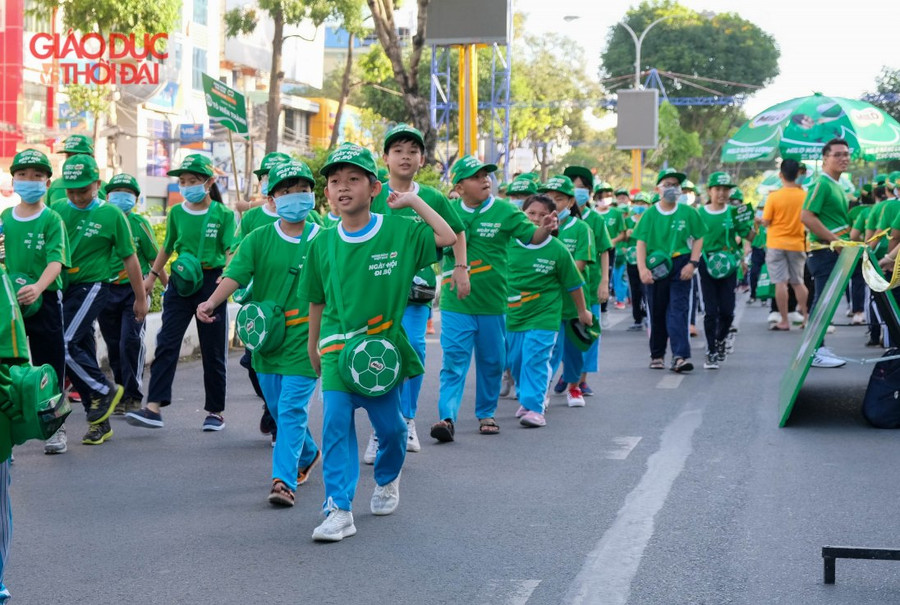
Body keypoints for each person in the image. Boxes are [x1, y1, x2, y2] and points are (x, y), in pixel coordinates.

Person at [298, 143, 457, 541]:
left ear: (374, 188)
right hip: (336, 350)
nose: (343, 188)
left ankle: (387, 478)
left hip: (380, 354)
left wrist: (412, 201)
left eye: (354, 179)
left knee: (391, 431)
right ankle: (339, 509)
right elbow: (317, 299)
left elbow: (448, 235)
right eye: (335, 182)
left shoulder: (399, 231)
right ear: (328, 193)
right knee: (334, 423)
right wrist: (313, 345)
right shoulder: (322, 242)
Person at [199, 160, 322, 506]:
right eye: (286, 191)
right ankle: (308, 452)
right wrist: (210, 303)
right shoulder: (258, 239)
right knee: (279, 408)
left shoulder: (326, 236)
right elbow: (235, 276)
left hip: (307, 342)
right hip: (268, 342)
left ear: (313, 195)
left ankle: (283, 481)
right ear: (272, 199)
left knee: (292, 409)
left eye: (303, 189)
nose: (295, 196)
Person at [362, 124, 469, 461]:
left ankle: (405, 420)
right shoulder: (373, 191)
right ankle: (382, 429)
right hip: (375, 290)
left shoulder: (433, 197)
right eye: (398, 151)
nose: (405, 157)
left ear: (422, 159)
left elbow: (456, 232)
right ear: (385, 158)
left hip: (415, 293)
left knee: (414, 351)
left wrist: (461, 268)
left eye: (412, 151)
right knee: (376, 355)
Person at [432, 156, 554, 441]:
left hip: (493, 303)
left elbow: (531, 237)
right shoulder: (448, 212)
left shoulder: (504, 211)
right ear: (460, 187)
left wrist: (544, 229)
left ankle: (486, 413)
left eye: (487, 174)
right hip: (455, 303)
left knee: (491, 361)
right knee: (453, 361)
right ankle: (446, 418)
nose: (485, 179)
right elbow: (436, 246)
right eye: (476, 176)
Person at [126, 154, 236, 430]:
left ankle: (215, 411)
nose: (187, 186)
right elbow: (168, 246)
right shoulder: (176, 212)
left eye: (193, 181)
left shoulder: (223, 215)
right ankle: (153, 407)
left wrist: (227, 276)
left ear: (209, 183)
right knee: (167, 342)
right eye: (183, 181)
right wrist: (152, 276)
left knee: (212, 349)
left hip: (212, 282)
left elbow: (230, 249)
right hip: (181, 281)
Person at [52, 154, 148, 445]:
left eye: (84, 189)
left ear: (97, 184)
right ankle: (100, 422)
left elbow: (131, 260)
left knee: (64, 344)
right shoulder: (56, 211)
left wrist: (141, 298)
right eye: (71, 190)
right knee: (79, 351)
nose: (78, 196)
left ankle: (105, 390)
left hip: (93, 286)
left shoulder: (111, 215)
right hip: (63, 290)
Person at [4, 150, 69, 453]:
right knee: (8, 369)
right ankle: (8, 435)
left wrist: (38, 287)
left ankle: (55, 429)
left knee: (49, 363)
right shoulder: (4, 219)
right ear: (13, 179)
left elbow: (56, 261)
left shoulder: (52, 218)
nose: (30, 181)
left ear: (47, 181)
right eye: (23, 175)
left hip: (44, 302)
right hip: (10, 307)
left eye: (37, 176)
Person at [507, 194, 592, 427]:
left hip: (545, 314)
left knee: (536, 358)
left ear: (552, 219)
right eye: (531, 214)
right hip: (514, 314)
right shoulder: (509, 243)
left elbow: (574, 284)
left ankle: (536, 408)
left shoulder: (557, 249)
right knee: (516, 361)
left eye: (542, 215)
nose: (536, 219)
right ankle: (527, 399)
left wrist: (583, 311)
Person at [101, 173, 165, 415]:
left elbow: (154, 257)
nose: (121, 197)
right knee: (113, 344)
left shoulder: (140, 224)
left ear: (136, 199)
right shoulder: (102, 221)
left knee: (131, 340)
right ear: (107, 196)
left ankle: (133, 394)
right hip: (106, 290)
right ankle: (119, 391)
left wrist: (166, 286)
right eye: (117, 192)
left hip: (133, 291)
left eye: (128, 193)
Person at [635, 168, 706, 372]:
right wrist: (642, 269)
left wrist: (692, 263)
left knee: (679, 310)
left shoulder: (688, 212)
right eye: (667, 184)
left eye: (676, 185)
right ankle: (657, 354)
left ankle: (680, 356)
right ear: (658, 189)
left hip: (680, 264)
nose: (672, 188)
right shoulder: (650, 214)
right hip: (656, 265)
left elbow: (699, 236)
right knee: (657, 311)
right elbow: (641, 242)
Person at [540, 175, 597, 407]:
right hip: (548, 301)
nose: (554, 203)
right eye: (548, 198)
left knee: (574, 349)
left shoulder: (581, 229)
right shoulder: (538, 229)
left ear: (571, 202)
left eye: (559, 198)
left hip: (573, 300)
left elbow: (580, 264)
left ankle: (574, 387)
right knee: (549, 349)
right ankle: (542, 391)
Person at [559, 167, 612, 398]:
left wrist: (604, 283)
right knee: (561, 337)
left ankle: (581, 379)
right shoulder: (552, 220)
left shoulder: (594, 220)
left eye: (581, 187)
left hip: (587, 288)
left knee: (585, 334)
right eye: (572, 186)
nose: (577, 191)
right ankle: (569, 374)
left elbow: (604, 252)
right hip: (560, 292)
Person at [801, 138, 853, 369]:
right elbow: (806, 216)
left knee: (827, 302)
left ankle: (818, 346)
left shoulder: (836, 185)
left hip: (834, 252)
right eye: (838, 154)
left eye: (846, 154)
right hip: (823, 252)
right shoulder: (821, 184)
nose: (844, 158)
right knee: (822, 302)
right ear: (825, 158)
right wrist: (836, 241)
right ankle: (815, 351)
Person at [698, 172, 750, 369]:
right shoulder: (700, 214)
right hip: (707, 264)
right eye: (717, 189)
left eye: (725, 190)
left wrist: (754, 228)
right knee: (710, 311)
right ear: (709, 191)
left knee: (727, 311)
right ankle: (711, 350)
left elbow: (747, 236)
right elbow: (693, 238)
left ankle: (721, 339)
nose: (721, 193)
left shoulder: (735, 213)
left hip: (729, 264)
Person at [761, 159, 809, 333]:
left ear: (780, 175)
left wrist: (760, 221)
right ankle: (805, 317)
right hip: (797, 243)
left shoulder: (774, 196)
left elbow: (766, 221)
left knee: (780, 283)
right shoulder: (805, 196)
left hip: (776, 243)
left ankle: (784, 320)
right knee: (798, 282)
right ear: (798, 174)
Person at [46, 135, 108, 204]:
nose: (74, 160)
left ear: (92, 157)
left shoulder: (104, 188)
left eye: (79, 155)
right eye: (69, 156)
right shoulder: (55, 186)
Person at [623, 192, 651, 331]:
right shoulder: (628, 221)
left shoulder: (648, 220)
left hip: (645, 260)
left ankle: (648, 315)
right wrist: (626, 237)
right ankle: (637, 318)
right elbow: (624, 238)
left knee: (645, 289)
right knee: (634, 290)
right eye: (638, 203)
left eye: (643, 204)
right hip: (631, 259)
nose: (640, 206)